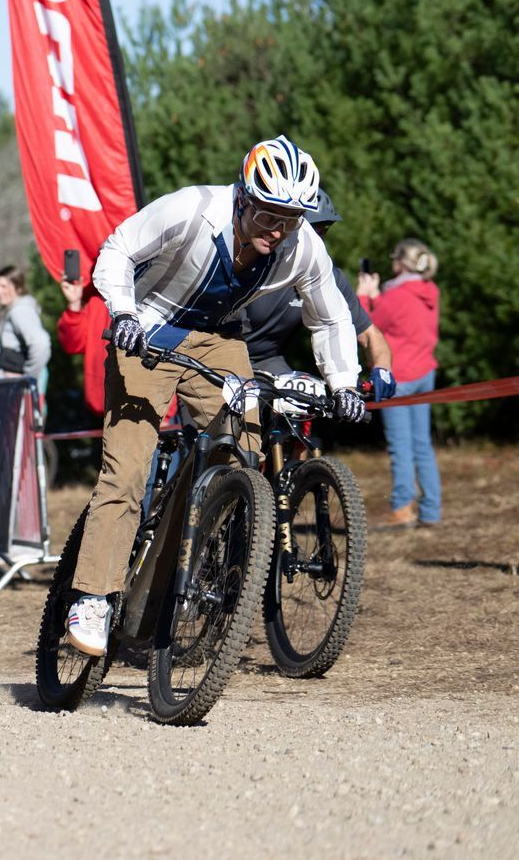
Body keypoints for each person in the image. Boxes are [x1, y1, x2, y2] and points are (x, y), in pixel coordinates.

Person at [64, 135, 371, 657]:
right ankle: (92, 597)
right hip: (150, 326)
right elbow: (116, 250)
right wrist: (122, 313)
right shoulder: (191, 209)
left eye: (290, 219)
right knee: (129, 468)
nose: (277, 230)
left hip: (219, 342)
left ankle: (196, 569)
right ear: (244, 197)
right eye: (268, 215)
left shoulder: (300, 245)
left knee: (246, 457)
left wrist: (343, 384)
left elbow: (331, 316)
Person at [241, 193, 394, 380]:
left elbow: (370, 335)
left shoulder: (330, 277)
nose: (318, 238)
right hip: (226, 352)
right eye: (313, 229)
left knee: (302, 405)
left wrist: (382, 369)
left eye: (325, 230)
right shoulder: (255, 263)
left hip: (268, 361)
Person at [358, 238, 442, 527]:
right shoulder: (429, 291)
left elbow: (369, 327)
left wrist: (363, 296)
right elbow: (400, 322)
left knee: (400, 446)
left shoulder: (396, 295)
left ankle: (402, 507)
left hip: (400, 377)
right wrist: (377, 296)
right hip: (425, 372)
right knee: (422, 444)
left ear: (400, 263)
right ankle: (431, 509)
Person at [0, 265, 52, 392]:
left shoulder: (20, 311)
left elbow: (41, 344)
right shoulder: (15, 311)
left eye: (3, 286)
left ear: (18, 287)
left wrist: (27, 378)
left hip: (14, 393)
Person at [55, 281, 111, 417]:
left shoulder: (147, 296)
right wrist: (74, 304)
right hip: (103, 408)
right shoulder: (97, 303)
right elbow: (73, 344)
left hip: (148, 407)